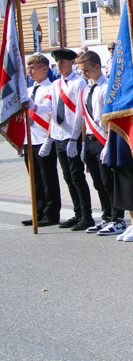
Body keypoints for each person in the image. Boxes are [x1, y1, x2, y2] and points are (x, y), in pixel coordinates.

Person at [33, 48, 91, 230]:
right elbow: (49, 108)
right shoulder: (55, 84)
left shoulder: (78, 83)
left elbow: (80, 114)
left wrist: (75, 139)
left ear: (72, 63)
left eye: (63, 62)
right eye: (57, 62)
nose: (59, 65)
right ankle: (77, 213)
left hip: (71, 137)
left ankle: (86, 215)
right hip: (59, 137)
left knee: (77, 177)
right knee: (67, 177)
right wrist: (33, 106)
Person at [75, 51, 126, 236]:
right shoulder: (87, 88)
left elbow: (111, 119)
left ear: (98, 67)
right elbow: (83, 117)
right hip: (89, 139)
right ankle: (105, 217)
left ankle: (117, 219)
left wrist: (108, 145)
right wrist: (81, 144)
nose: (84, 74)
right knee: (97, 182)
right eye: (81, 71)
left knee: (108, 182)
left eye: (87, 70)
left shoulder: (107, 88)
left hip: (104, 139)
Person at [20, 54, 61, 226]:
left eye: (33, 67)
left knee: (48, 179)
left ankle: (51, 214)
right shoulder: (29, 91)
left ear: (44, 69)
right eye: (28, 68)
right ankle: (38, 212)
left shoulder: (50, 88)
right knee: (35, 179)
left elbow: (50, 113)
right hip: (29, 139)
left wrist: (48, 139)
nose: (29, 71)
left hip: (44, 139)